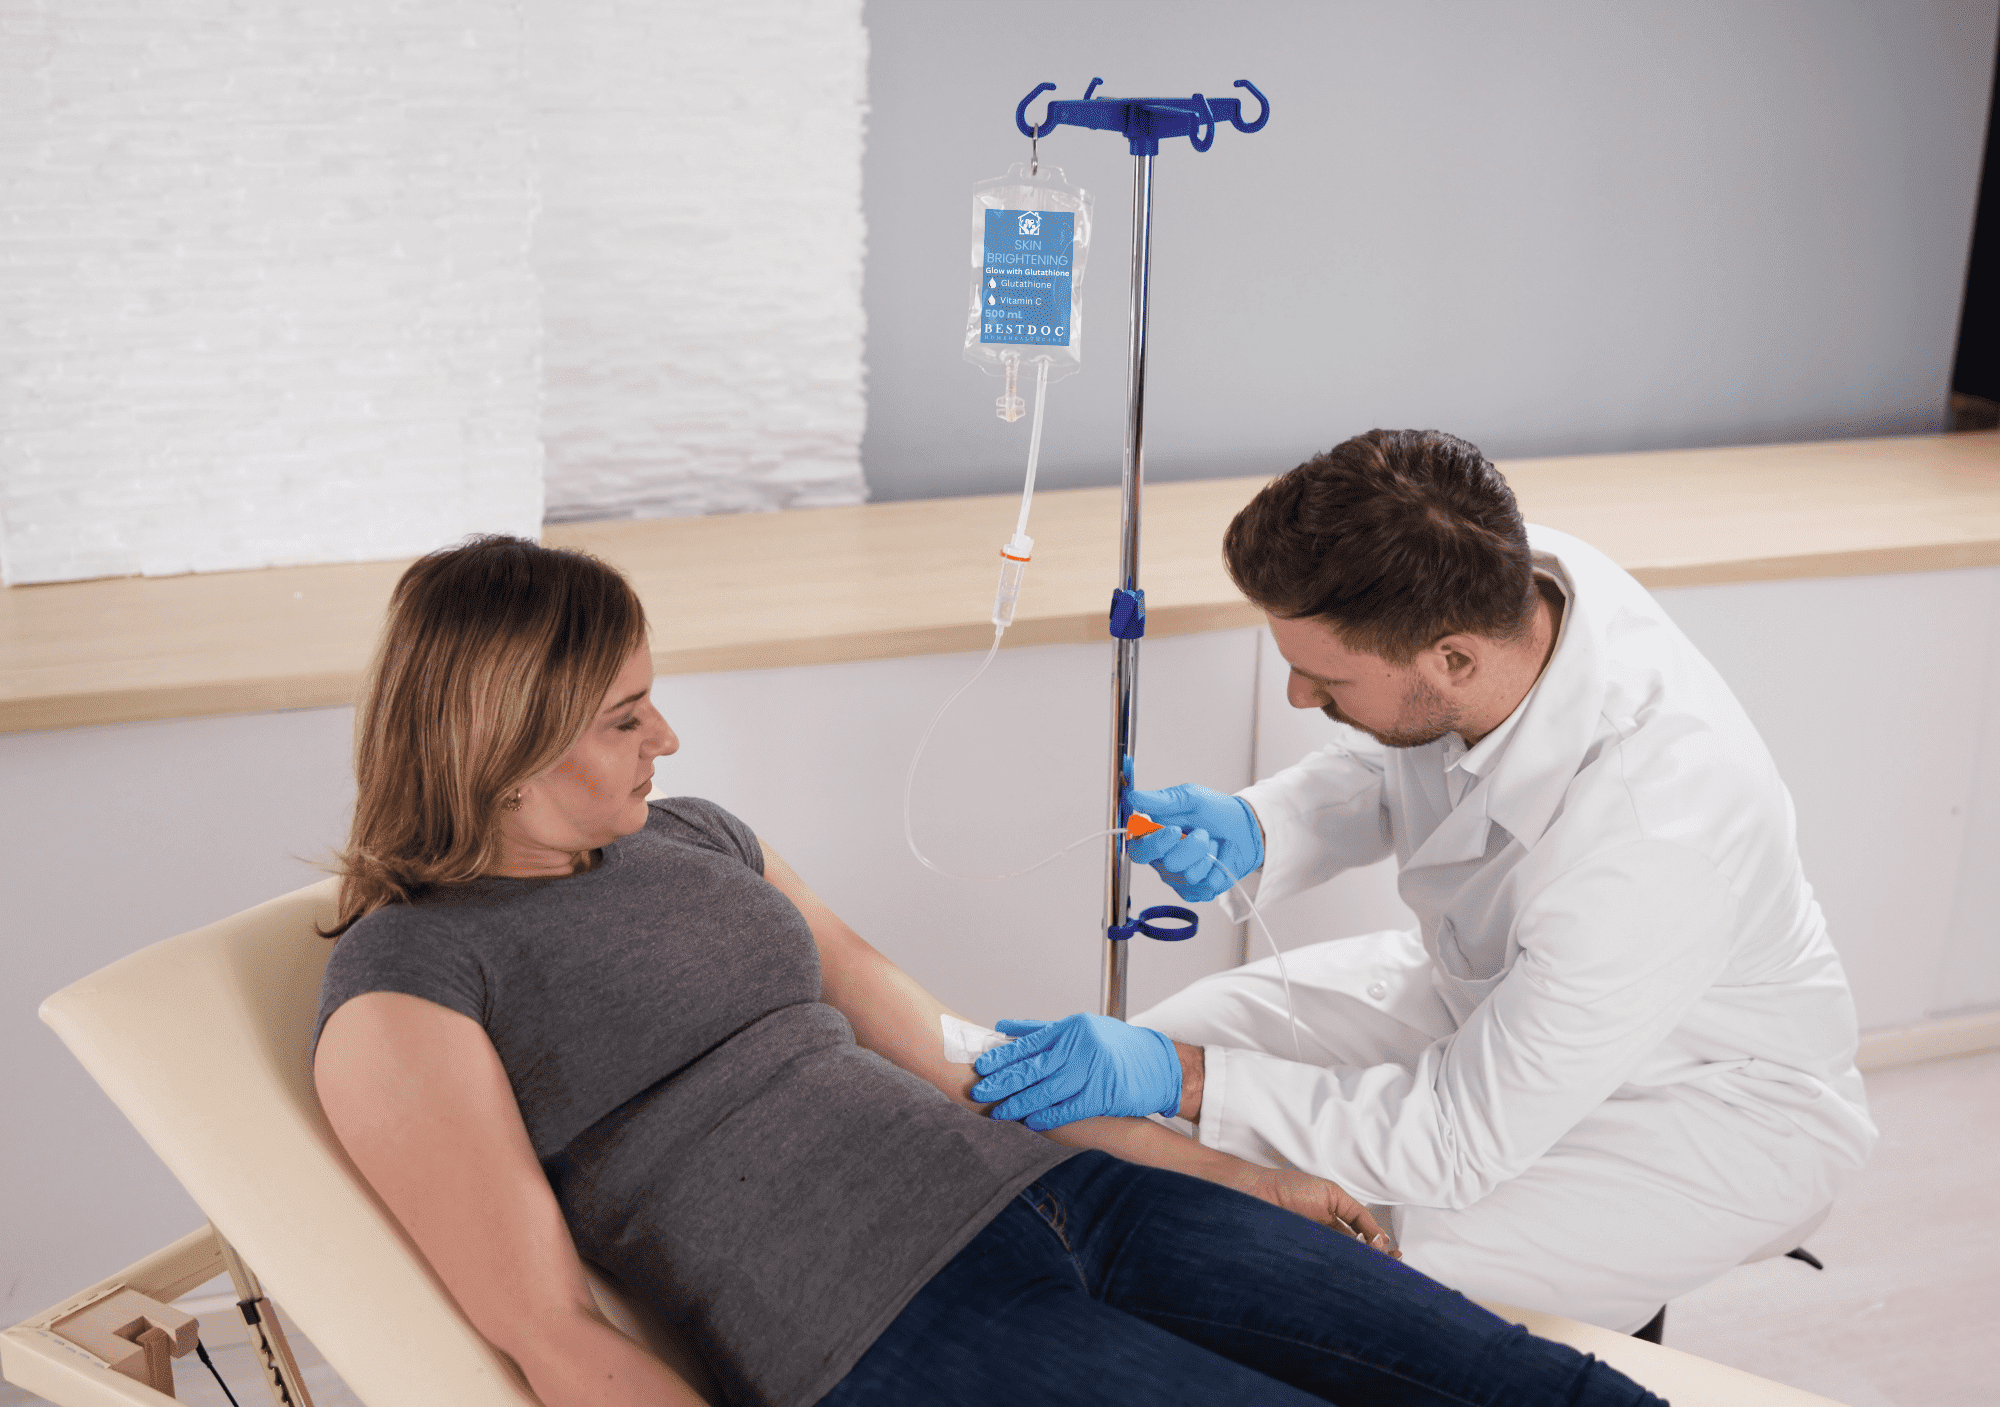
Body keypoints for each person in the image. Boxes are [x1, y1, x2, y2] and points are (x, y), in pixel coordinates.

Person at [310, 535, 1663, 1407]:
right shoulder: (410, 978)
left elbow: (941, 1043)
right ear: (505, 735)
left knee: (1520, 1382)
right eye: (623, 715)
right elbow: (549, 1329)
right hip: (885, 1321)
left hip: (1077, 1193)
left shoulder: (698, 835)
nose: (668, 731)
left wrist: (1222, 1168)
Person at [972, 429, 1877, 1337]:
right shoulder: (1510, 597)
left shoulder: (1653, 838)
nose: (1295, 695)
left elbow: (1454, 1138)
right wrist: (1261, 826)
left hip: (1704, 1101)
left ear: (1452, 659)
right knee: (1172, 1043)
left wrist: (1191, 1084)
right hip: (1503, 994)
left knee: (1372, 1255)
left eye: (1325, 678)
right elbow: (1411, 758)